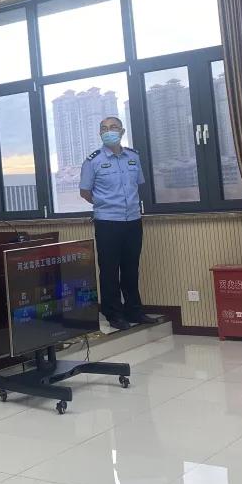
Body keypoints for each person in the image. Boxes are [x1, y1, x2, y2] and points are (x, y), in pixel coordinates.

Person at [80, 117, 159, 330]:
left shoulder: (133, 157)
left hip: (133, 220)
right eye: (104, 129)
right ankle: (113, 314)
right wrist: (105, 204)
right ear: (100, 134)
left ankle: (134, 310)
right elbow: (85, 192)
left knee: (131, 268)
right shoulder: (92, 161)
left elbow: (137, 184)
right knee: (109, 270)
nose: (109, 131)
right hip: (107, 222)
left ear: (122, 131)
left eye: (113, 127)